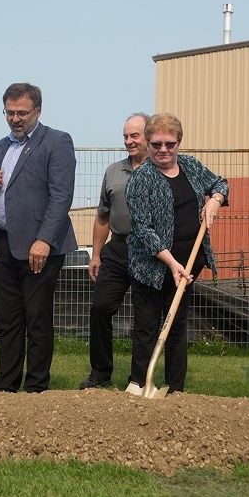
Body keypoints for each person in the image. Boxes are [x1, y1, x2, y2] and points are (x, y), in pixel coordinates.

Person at [0, 82, 77, 393]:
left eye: (22, 112)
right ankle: (6, 385)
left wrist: (44, 240)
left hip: (40, 246)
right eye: (10, 112)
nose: (15, 118)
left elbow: (61, 197)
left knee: (37, 319)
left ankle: (36, 386)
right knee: (8, 320)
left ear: (38, 111)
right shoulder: (0, 147)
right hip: (4, 242)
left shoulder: (57, 141)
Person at [126, 113, 228, 394]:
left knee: (177, 326)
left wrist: (215, 202)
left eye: (169, 144)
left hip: (188, 261)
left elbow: (220, 183)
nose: (163, 150)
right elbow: (143, 230)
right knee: (147, 327)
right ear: (148, 144)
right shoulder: (140, 180)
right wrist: (171, 263)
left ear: (178, 143)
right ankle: (138, 383)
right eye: (156, 144)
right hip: (151, 265)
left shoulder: (190, 166)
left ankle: (175, 388)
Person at [79, 113, 150, 390]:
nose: (129, 141)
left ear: (148, 136)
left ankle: (139, 379)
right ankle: (100, 374)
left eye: (135, 136)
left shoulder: (160, 169)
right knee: (100, 308)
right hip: (117, 250)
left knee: (144, 317)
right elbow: (102, 216)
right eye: (125, 136)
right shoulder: (113, 171)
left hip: (149, 253)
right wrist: (96, 255)